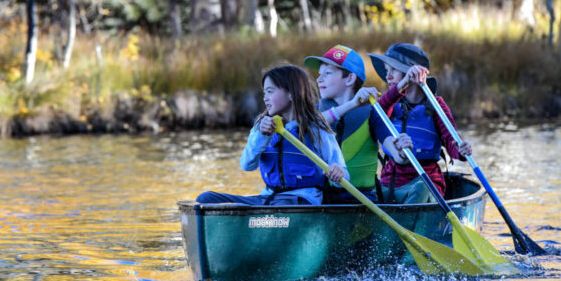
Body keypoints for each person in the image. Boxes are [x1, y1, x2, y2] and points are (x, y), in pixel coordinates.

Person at [195, 63, 349, 206]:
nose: (265, 98)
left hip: (302, 200)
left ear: (291, 94)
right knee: (206, 199)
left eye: (270, 91)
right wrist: (262, 135)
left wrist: (337, 173)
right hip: (267, 198)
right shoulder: (261, 126)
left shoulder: (316, 127)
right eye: (264, 93)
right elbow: (247, 165)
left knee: (281, 207)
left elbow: (344, 177)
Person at [367, 43, 472, 205]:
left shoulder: (436, 105)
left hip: (425, 183)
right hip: (391, 183)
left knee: (421, 189)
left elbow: (451, 140)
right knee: (372, 193)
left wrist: (461, 150)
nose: (387, 76)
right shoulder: (388, 103)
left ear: (410, 73)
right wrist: (402, 84)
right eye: (386, 71)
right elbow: (378, 114)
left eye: (393, 70)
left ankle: (407, 226)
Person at [304, 44, 390, 203]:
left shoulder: (372, 113)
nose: (319, 79)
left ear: (350, 78)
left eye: (328, 73)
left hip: (362, 199)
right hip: (321, 197)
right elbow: (310, 125)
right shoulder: (314, 113)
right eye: (319, 73)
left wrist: (402, 147)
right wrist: (352, 104)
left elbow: (396, 153)